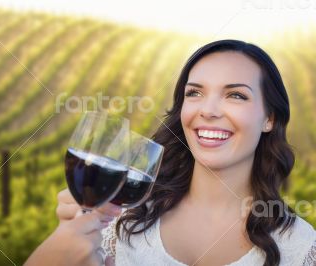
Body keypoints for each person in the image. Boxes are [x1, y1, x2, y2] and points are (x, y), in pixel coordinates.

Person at [25, 39, 316, 266]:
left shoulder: (301, 248)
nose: (208, 110)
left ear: (270, 118)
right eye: (194, 93)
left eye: (236, 95)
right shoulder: (118, 219)